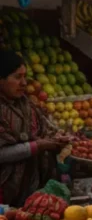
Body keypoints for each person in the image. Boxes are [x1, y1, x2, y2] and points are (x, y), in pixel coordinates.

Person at [0, 50, 65, 206]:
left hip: (32, 190)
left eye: (24, 76)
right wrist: (38, 146)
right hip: (5, 194)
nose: (24, 83)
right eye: (17, 77)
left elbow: (47, 129)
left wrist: (58, 138)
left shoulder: (27, 105)